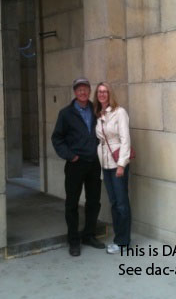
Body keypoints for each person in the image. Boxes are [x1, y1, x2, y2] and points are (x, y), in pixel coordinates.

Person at [51, 78, 105, 257]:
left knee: (93, 201)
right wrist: (70, 155)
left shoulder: (96, 109)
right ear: (75, 92)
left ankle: (89, 235)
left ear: (89, 91)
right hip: (75, 164)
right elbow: (57, 138)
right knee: (72, 203)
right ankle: (73, 240)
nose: (82, 92)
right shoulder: (66, 113)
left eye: (85, 89)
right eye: (79, 89)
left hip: (94, 163)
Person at [93, 82, 131, 254]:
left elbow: (125, 140)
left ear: (110, 94)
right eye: (99, 92)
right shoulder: (98, 114)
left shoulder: (119, 112)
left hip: (117, 164)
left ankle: (123, 241)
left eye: (105, 91)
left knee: (122, 203)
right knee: (114, 202)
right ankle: (119, 238)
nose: (102, 94)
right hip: (105, 165)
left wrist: (121, 165)